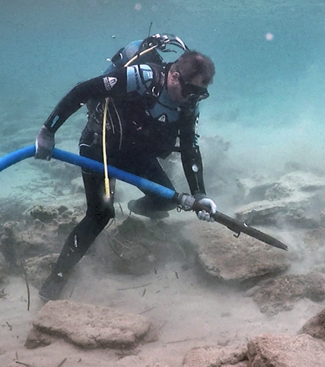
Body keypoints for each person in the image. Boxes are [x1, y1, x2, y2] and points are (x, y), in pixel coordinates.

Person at [33, 34, 218, 301]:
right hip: (99, 148)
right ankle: (57, 278)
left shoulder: (188, 107)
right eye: (192, 91)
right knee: (100, 215)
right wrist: (48, 131)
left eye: (201, 94)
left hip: (136, 154)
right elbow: (82, 90)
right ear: (175, 77)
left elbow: (190, 147)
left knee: (165, 199)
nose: (194, 99)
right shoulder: (142, 77)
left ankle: (134, 211)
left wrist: (200, 194)